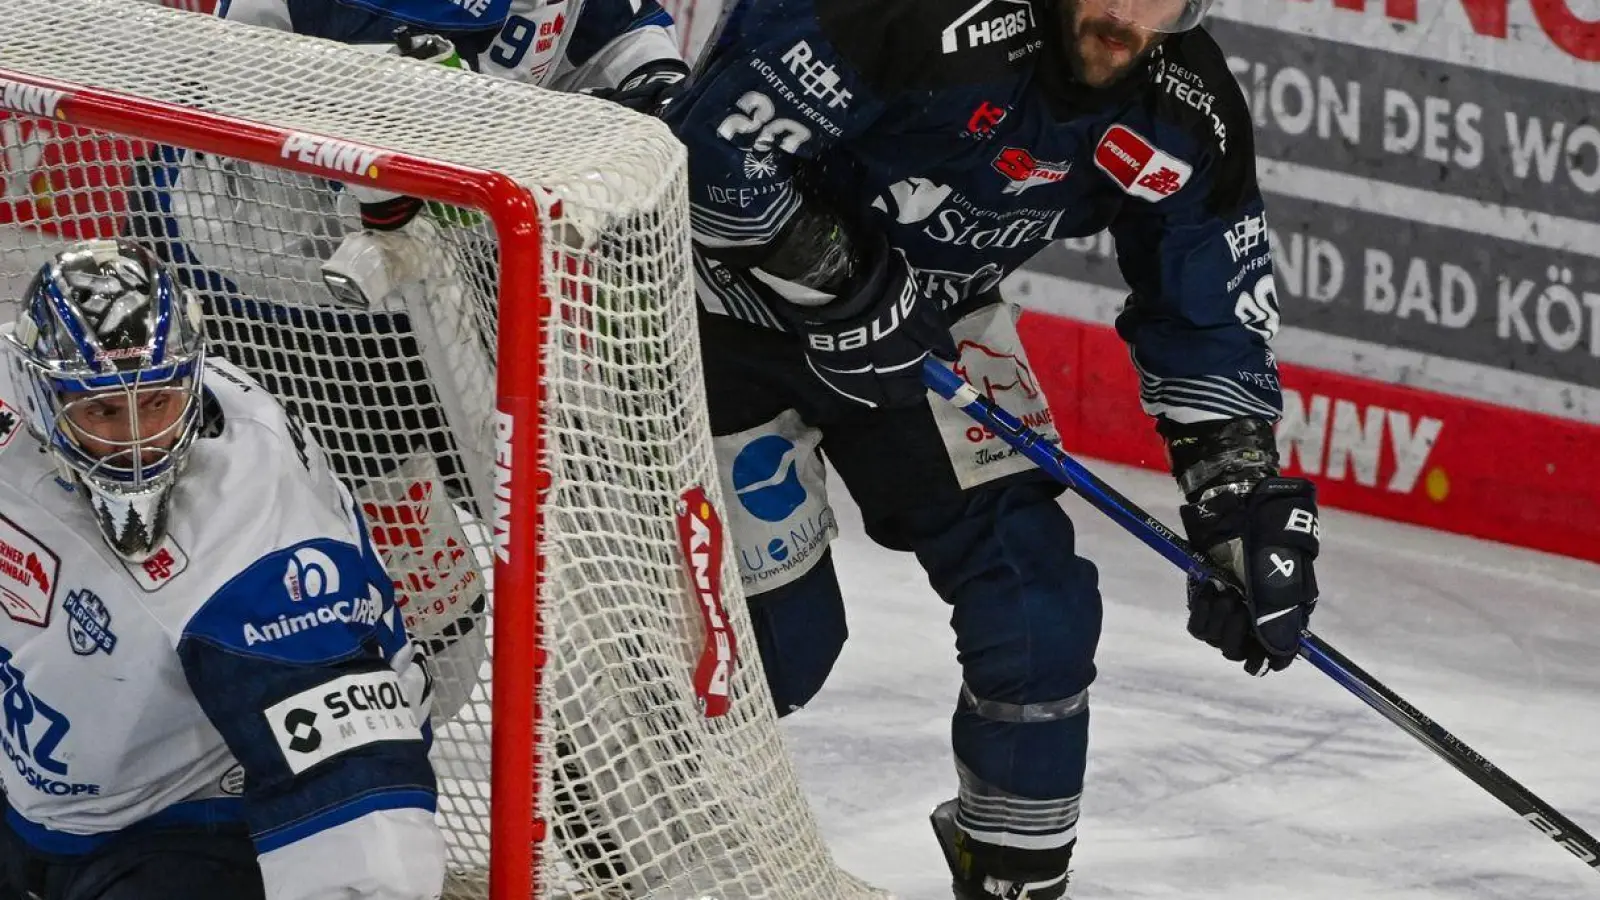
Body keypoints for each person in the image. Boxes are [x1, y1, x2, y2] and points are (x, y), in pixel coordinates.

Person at [662, 0, 1322, 896]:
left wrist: (1237, 495)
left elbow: (1205, 311)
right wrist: (847, 281)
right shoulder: (913, 15)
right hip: (713, 320)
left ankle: (1011, 878)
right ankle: (587, 817)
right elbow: (711, 159)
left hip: (922, 336)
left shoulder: (1184, 105)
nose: (1132, 17)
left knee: (1037, 614)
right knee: (773, 650)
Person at [0, 239, 441, 900]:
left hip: (198, 819)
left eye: (155, 403)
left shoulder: (254, 541)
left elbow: (357, 803)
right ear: (40, 393)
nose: (137, 443)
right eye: (100, 412)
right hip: (53, 793)